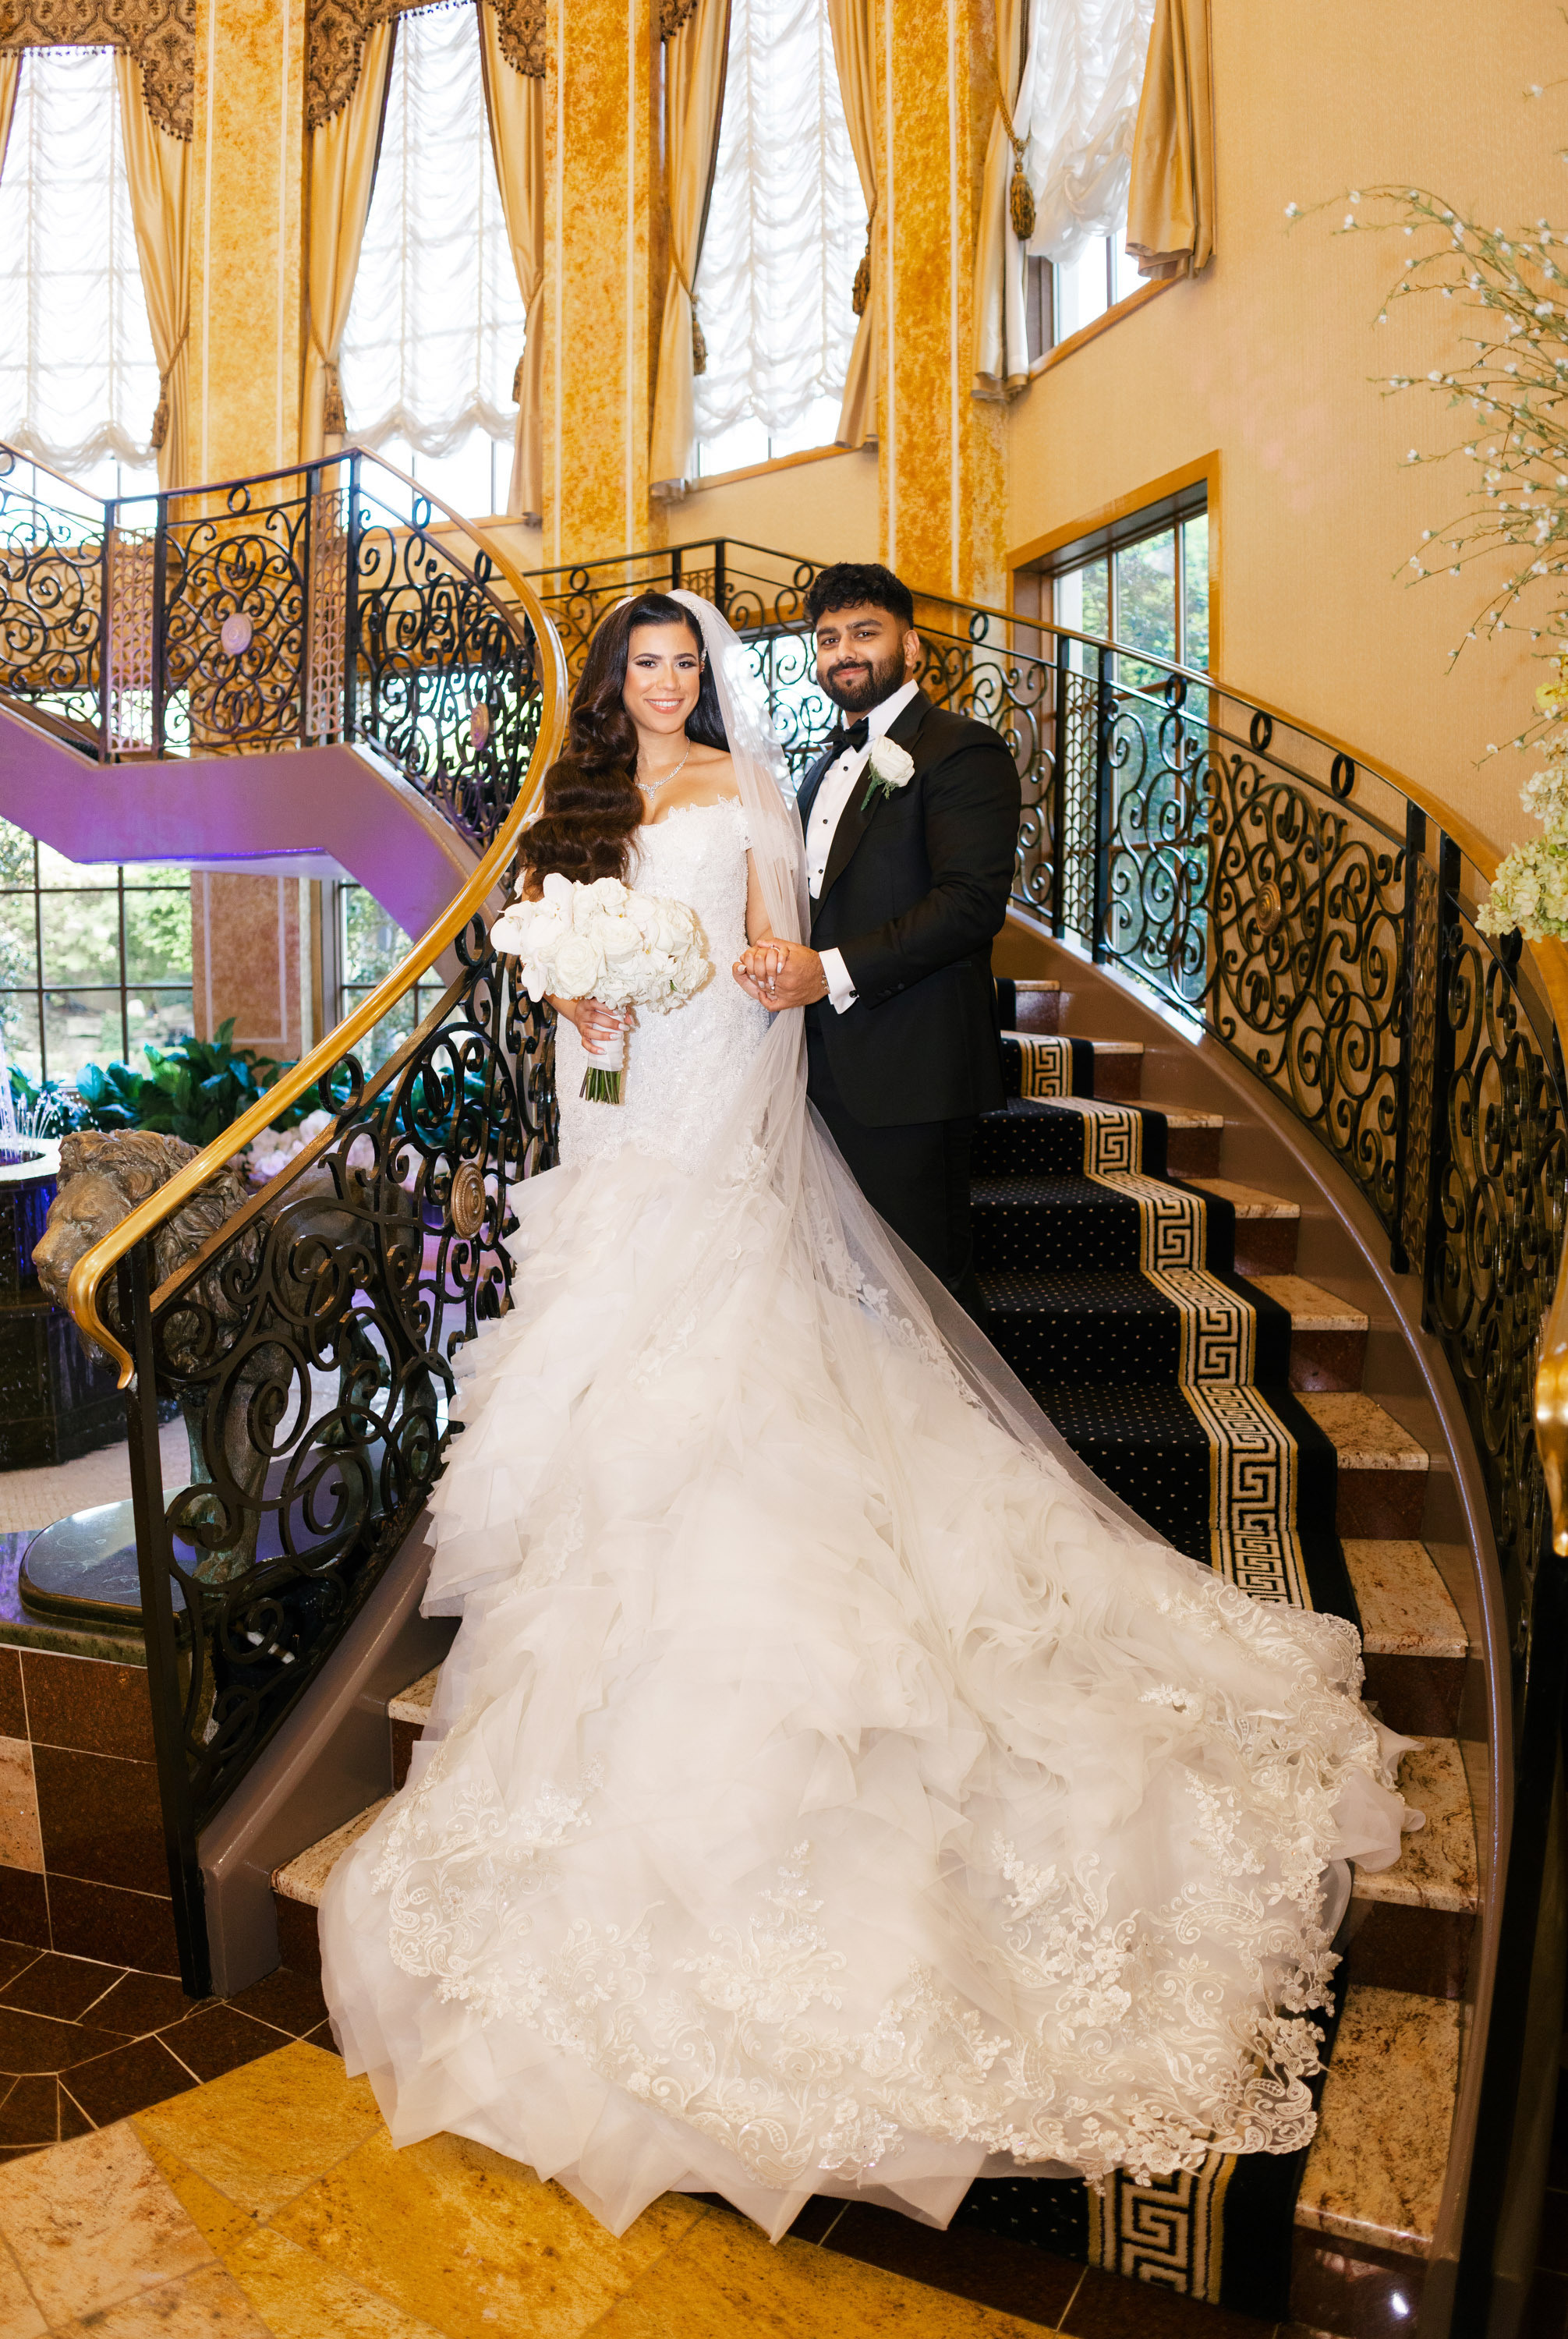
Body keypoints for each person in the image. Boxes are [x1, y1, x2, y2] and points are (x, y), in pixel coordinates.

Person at [320, 588, 1415, 2248]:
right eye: (645, 664)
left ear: (713, 679)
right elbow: (546, 952)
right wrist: (585, 1002)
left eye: (687, 663)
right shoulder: (582, 804)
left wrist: (724, 1065)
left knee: (719, 1382)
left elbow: (778, 969)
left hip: (709, 1124)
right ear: (614, 683)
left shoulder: (757, 800)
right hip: (608, 1115)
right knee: (597, 1390)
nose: (667, 682)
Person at [734, 563, 1018, 1311]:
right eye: (827, 639)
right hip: (817, 1067)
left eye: (864, 632)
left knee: (922, 1302)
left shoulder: (963, 750)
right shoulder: (821, 766)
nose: (843, 652)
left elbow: (968, 906)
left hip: (912, 1070)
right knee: (835, 1296)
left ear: (912, 646)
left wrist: (825, 971)